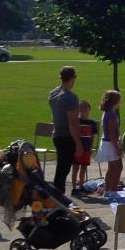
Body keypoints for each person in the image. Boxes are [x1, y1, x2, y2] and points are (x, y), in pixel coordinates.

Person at [48, 66, 81, 195]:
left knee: (61, 168)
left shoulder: (53, 93)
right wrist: (78, 144)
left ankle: (57, 196)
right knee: (63, 170)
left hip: (57, 134)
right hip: (67, 137)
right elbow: (72, 123)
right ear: (73, 78)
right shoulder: (71, 97)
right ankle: (57, 198)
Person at [95, 90, 122, 197]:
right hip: (111, 144)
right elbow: (112, 133)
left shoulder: (107, 112)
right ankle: (112, 191)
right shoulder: (111, 114)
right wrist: (117, 147)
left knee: (111, 168)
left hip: (107, 143)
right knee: (118, 167)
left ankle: (108, 190)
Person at [70, 101, 97, 194]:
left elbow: (93, 136)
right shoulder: (76, 121)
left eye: (86, 107)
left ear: (89, 109)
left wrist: (90, 148)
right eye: (81, 107)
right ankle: (74, 188)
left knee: (84, 168)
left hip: (86, 148)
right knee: (75, 167)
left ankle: (81, 186)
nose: (83, 109)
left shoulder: (92, 123)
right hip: (77, 149)